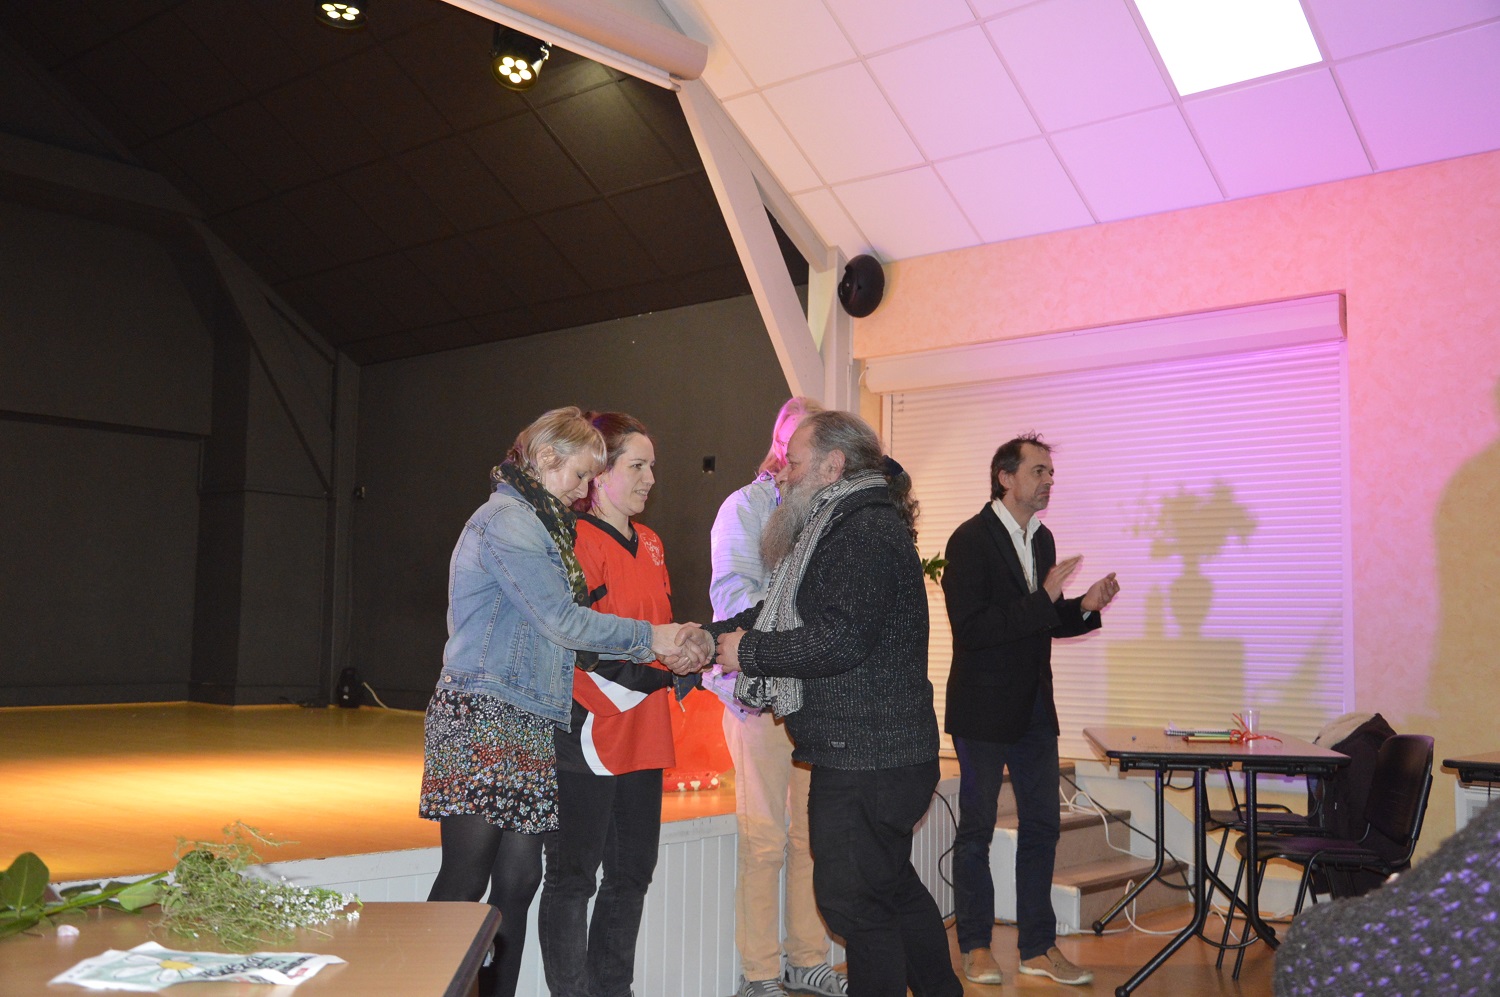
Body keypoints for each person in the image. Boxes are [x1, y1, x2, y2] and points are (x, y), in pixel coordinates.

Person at [419, 406, 704, 997]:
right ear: (547, 459)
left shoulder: (543, 524)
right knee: (465, 880)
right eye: (579, 475)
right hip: (482, 713)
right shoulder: (507, 521)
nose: (582, 490)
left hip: (528, 717)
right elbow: (561, 620)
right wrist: (651, 638)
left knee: (520, 881)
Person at [698, 410, 963, 997]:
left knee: (853, 902)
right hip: (878, 753)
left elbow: (838, 639)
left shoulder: (860, 532)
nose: (781, 474)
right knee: (888, 887)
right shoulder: (847, 524)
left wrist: (750, 653)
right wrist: (710, 638)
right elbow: (786, 613)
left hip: (867, 756)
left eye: (793, 463)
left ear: (832, 466)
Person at [940, 433, 1119, 987]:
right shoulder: (969, 540)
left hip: (1036, 709)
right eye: (1038, 471)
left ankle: (1037, 948)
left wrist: (1082, 608)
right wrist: (1044, 601)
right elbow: (973, 629)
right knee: (976, 830)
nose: (1048, 481)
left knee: (1043, 826)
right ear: (1005, 477)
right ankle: (976, 946)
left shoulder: (1042, 539)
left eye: (1050, 473)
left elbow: (1042, 620)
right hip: (983, 710)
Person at [707, 397, 846, 997]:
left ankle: (807, 959)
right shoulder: (745, 507)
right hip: (758, 694)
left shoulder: (828, 511)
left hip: (811, 698)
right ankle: (760, 973)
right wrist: (802, 631)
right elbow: (733, 599)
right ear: (781, 445)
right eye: (799, 445)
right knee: (764, 839)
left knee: (810, 838)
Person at [538, 412, 680, 997]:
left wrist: (688, 653)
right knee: (573, 879)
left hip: (645, 732)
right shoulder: (572, 539)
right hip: (588, 730)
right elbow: (577, 644)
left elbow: (658, 634)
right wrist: (659, 671)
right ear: (599, 474)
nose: (650, 478)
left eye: (652, 467)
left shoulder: (653, 543)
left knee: (631, 876)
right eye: (637, 466)